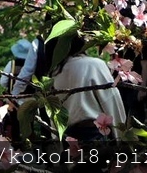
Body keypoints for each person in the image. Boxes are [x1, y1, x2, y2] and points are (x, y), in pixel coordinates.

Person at [51, 36, 126, 171]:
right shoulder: (93, 64)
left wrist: (57, 143)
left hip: (70, 138)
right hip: (95, 135)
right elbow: (111, 101)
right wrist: (122, 140)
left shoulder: (56, 72)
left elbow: (54, 112)